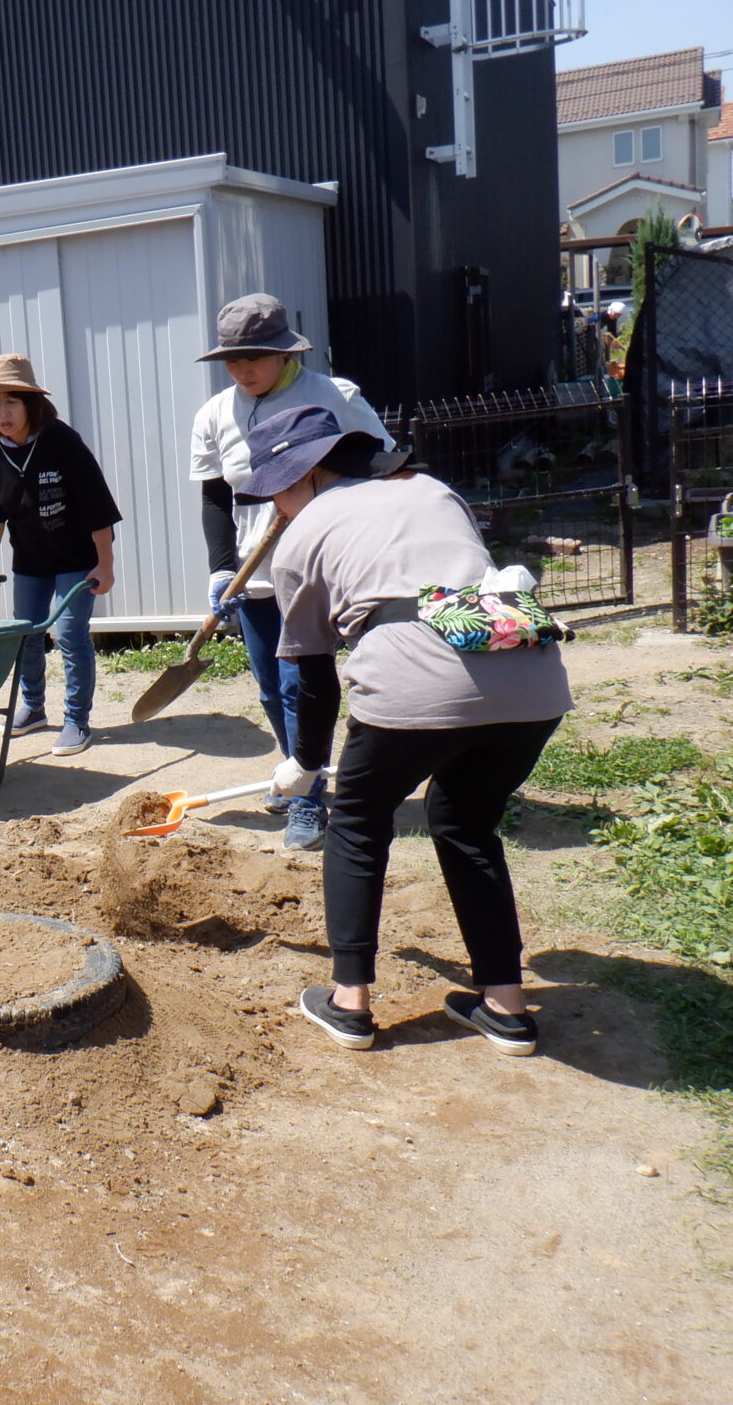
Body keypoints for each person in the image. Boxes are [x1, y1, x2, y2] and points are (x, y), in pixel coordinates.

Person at [239, 403, 573, 1057]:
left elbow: (314, 677)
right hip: (530, 675)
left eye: (275, 490)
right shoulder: (431, 489)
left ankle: (350, 1003)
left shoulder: (299, 540)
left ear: (305, 475)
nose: (273, 506)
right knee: (466, 823)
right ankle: (505, 1007)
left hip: (412, 672)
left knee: (359, 820)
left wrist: (304, 765)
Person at [190, 293, 396, 852]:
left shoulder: (333, 396)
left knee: (298, 684)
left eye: (254, 357)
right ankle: (297, 770)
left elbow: (382, 464)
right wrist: (221, 568)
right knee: (268, 688)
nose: (243, 370)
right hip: (256, 572)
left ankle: (308, 801)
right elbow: (215, 496)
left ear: (285, 353)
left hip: (321, 565)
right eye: (232, 360)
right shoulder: (214, 415)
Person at [0, 353, 122, 757]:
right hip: (31, 558)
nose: (2, 413)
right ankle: (34, 707)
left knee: (70, 634)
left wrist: (105, 565)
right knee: (27, 634)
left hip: (77, 557)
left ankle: (77, 720)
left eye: (11, 402)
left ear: (31, 403)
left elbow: (97, 508)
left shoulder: (62, 441)